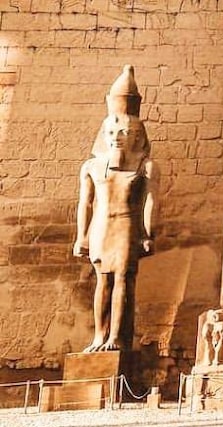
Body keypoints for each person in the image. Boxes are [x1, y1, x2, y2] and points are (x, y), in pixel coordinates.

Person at [74, 67, 157, 353]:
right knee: (102, 281)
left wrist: (147, 233)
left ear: (136, 134)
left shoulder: (144, 166)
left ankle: (116, 338)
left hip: (125, 224)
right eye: (112, 131)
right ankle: (99, 335)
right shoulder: (92, 165)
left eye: (124, 132)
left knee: (121, 277)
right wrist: (80, 237)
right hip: (101, 225)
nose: (117, 136)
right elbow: (85, 203)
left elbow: (149, 202)